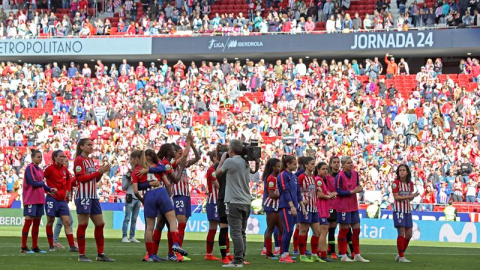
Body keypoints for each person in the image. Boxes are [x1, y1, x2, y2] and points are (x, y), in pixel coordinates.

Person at [131, 150, 187, 263]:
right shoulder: (158, 166)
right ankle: (176, 244)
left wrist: (143, 200)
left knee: (150, 227)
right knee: (172, 221)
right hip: (161, 192)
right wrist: (169, 196)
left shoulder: (136, 170)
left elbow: (136, 191)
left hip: (148, 195)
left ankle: (151, 256)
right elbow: (167, 183)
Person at [216, 139, 260, 268]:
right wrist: (256, 162)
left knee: (235, 233)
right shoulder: (245, 162)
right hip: (246, 201)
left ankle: (238, 260)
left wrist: (223, 159)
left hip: (234, 202)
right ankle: (241, 258)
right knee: (242, 233)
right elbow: (254, 171)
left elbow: (217, 173)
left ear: (230, 150)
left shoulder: (230, 161)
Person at [73, 138, 114, 262]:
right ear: (81, 147)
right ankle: (81, 255)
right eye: (88, 145)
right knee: (83, 224)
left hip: (93, 196)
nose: (91, 147)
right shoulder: (79, 160)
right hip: (84, 195)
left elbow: (94, 180)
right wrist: (98, 172)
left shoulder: (90, 160)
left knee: (100, 224)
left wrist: (101, 173)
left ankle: (100, 254)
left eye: (92, 144)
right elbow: (81, 179)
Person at [21, 150, 57, 254]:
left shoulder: (40, 170)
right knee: (28, 221)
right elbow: (33, 183)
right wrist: (42, 183)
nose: (40, 159)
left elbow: (41, 184)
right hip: (31, 198)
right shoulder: (30, 168)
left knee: (37, 222)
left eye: (41, 157)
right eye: (38, 157)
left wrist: (50, 189)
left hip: (40, 199)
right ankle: (23, 246)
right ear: (32, 158)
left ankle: (35, 246)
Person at [171, 132, 200, 260]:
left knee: (184, 224)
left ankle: (179, 252)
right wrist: (188, 142)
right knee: (181, 222)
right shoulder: (173, 163)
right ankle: (176, 252)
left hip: (186, 195)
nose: (182, 154)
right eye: (179, 152)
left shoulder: (183, 164)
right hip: (177, 194)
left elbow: (197, 157)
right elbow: (184, 158)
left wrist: (192, 145)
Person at [335, 156, 369, 262]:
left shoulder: (355, 174)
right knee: (344, 230)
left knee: (357, 229)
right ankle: (344, 255)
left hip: (354, 205)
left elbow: (357, 186)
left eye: (351, 162)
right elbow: (338, 191)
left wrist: (359, 189)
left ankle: (357, 254)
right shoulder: (339, 176)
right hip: (343, 206)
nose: (351, 164)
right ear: (343, 164)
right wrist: (352, 192)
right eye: (348, 163)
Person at [43, 150, 78, 252]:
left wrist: (67, 190)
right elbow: (40, 179)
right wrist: (47, 190)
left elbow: (68, 180)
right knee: (50, 221)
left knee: (67, 222)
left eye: (64, 156)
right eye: (61, 156)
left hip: (62, 200)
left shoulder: (64, 170)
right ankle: (51, 245)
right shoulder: (49, 169)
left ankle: (72, 246)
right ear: (54, 157)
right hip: (51, 198)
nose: (63, 158)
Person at [297, 157, 324, 263]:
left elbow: (310, 190)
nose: (314, 166)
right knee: (303, 230)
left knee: (317, 232)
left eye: (314, 164)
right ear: (306, 165)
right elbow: (296, 191)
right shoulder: (301, 177)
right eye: (312, 164)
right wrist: (302, 200)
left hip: (313, 208)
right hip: (305, 208)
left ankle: (314, 255)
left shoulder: (313, 177)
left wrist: (317, 189)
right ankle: (302, 255)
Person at [392, 164, 419, 263]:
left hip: (407, 210)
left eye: (403, 170)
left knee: (409, 234)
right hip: (399, 210)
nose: (402, 172)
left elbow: (410, 197)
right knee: (401, 232)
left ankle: (400, 254)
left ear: (407, 172)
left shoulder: (410, 184)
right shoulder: (395, 183)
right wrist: (409, 196)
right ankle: (402, 257)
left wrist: (413, 196)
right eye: (400, 170)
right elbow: (396, 197)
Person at [277, 155, 301, 264]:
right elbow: (285, 190)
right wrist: (291, 205)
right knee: (288, 230)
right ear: (288, 164)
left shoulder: (294, 177)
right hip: (286, 206)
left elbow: (298, 193)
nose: (296, 166)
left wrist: (302, 206)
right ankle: (283, 255)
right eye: (294, 164)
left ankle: (285, 253)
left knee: (289, 230)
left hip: (294, 206)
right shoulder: (282, 175)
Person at [53, 156, 76, 250]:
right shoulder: (61, 173)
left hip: (64, 201)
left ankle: (54, 241)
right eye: (65, 161)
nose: (67, 163)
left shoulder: (68, 174)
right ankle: (71, 242)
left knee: (60, 222)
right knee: (69, 221)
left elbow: (72, 183)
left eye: (67, 162)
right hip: (60, 201)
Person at [315, 162, 337, 262]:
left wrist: (330, 193)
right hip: (320, 208)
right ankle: (322, 254)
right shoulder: (318, 180)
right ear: (318, 170)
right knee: (324, 231)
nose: (325, 171)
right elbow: (320, 195)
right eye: (323, 169)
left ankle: (319, 253)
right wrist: (329, 196)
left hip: (322, 208)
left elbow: (324, 192)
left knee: (322, 232)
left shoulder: (321, 180)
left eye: (326, 169)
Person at [262, 158, 283, 259]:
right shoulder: (271, 178)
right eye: (278, 166)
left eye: (280, 166)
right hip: (271, 206)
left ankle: (282, 252)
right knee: (270, 229)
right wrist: (283, 194)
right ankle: (268, 253)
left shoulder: (277, 177)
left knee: (281, 229)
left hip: (278, 206)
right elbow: (271, 194)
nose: (279, 168)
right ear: (273, 167)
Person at [205, 150, 222, 261]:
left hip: (220, 201)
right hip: (214, 201)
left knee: (223, 227)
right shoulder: (211, 170)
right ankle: (209, 253)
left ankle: (226, 253)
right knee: (214, 228)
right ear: (215, 158)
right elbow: (218, 186)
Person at [121, 168, 141, 243]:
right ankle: (124, 236)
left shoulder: (139, 174)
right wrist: (129, 179)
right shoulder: (126, 175)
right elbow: (123, 187)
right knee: (127, 218)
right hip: (130, 197)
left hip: (138, 197)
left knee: (134, 219)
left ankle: (132, 236)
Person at [327, 156, 340, 259]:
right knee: (330, 227)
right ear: (330, 164)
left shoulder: (342, 175)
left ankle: (341, 251)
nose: (336, 164)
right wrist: (329, 193)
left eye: (338, 162)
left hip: (341, 205)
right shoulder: (327, 177)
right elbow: (322, 188)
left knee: (342, 227)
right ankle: (332, 251)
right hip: (330, 205)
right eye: (334, 162)